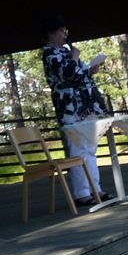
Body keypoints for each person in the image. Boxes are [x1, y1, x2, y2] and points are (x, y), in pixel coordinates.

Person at [41, 15, 112, 206]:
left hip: (85, 106)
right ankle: (82, 193)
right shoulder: (50, 55)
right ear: (51, 33)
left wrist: (89, 71)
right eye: (61, 31)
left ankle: (95, 188)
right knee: (78, 150)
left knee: (90, 148)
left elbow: (77, 75)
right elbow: (67, 75)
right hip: (70, 110)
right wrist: (74, 57)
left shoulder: (64, 52)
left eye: (66, 31)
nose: (65, 35)